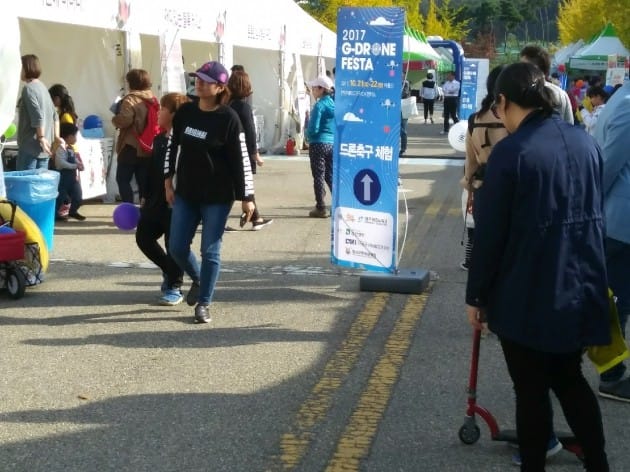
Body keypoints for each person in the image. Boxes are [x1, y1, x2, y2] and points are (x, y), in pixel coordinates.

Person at [465, 62, 610, 472]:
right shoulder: (584, 142)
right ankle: (598, 462)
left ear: (504, 101)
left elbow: (490, 234)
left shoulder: (511, 153)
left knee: (530, 390)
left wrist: (476, 295)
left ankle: (534, 465)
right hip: (580, 284)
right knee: (569, 379)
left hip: (527, 289)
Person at [164, 61, 255, 324]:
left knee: (210, 251)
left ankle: (204, 303)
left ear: (219, 87)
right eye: (197, 78)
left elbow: (241, 159)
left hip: (217, 196)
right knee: (177, 247)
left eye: (205, 79)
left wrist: (248, 198)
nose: (199, 83)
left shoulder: (229, 118)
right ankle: (200, 279)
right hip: (186, 193)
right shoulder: (185, 113)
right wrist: (168, 180)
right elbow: (172, 147)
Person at [135, 92, 199, 306]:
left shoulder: (187, 140)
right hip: (155, 201)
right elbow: (151, 171)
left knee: (175, 245)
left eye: (163, 108)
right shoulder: (159, 140)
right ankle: (169, 272)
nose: (158, 112)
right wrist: (144, 195)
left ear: (174, 114)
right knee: (143, 237)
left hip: (179, 203)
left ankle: (174, 285)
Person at [593, 80, 630, 401]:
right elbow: (606, 165)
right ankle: (612, 374)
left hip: (618, 219)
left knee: (615, 299)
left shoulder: (622, 98)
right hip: (620, 222)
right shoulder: (628, 104)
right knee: (616, 301)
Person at [460, 65, 508, 270]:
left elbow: (470, 160)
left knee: (483, 233)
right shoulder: (513, 119)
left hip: (482, 184)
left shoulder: (475, 119)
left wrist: (469, 186)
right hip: (510, 184)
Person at [227, 71, 272, 230]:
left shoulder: (228, 105)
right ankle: (254, 218)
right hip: (242, 152)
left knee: (240, 186)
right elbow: (250, 132)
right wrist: (255, 154)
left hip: (229, 152)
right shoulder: (244, 107)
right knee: (241, 185)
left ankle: (256, 218)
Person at [112, 68, 155, 204]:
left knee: (122, 179)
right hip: (147, 145)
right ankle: (145, 211)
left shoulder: (130, 99)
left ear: (132, 83)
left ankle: (128, 209)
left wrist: (115, 119)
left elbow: (125, 119)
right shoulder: (152, 98)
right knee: (143, 181)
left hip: (131, 145)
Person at [16, 54, 58, 170]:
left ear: (26, 68)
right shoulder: (43, 88)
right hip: (44, 148)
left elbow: (37, 116)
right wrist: (56, 138)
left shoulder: (28, 89)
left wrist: (41, 137)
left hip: (30, 147)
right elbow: (55, 116)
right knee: (40, 186)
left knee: (26, 185)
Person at [520, 45, 574, 124]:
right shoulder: (561, 93)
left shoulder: (520, 93)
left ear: (535, 68)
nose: (519, 70)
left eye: (523, 67)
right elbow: (569, 126)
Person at [305, 75, 335, 218]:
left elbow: (314, 128)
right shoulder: (332, 104)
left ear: (321, 89)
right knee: (330, 175)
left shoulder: (319, 105)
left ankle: (320, 207)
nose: (311, 90)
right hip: (331, 143)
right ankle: (338, 203)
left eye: (313, 88)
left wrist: (307, 136)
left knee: (318, 176)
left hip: (318, 143)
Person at [52, 123, 85, 221]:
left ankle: (73, 211)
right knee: (60, 197)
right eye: (75, 136)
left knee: (78, 196)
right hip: (62, 178)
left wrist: (79, 164)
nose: (76, 138)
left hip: (72, 179)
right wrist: (74, 166)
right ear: (69, 136)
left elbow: (74, 159)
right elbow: (60, 163)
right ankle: (55, 215)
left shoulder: (70, 148)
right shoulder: (60, 148)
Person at [400, 77, 411, 156]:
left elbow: (405, 93)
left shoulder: (405, 83)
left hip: (404, 107)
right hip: (393, 107)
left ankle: (403, 149)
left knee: (403, 129)